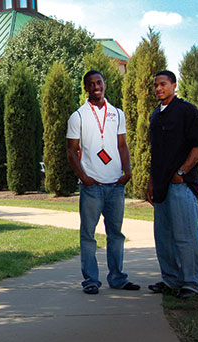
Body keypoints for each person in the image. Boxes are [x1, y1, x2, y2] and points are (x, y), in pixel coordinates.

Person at [66, 70, 139, 295]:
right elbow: (71, 151)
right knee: (88, 235)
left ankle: (117, 278)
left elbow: (122, 146)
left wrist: (127, 172)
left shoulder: (117, 113)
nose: (96, 86)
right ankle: (90, 281)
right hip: (92, 187)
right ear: (86, 88)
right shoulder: (78, 116)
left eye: (99, 82)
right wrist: (85, 178)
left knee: (115, 234)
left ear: (104, 84)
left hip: (116, 185)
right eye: (91, 84)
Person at [146, 70, 198, 299]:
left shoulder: (186, 111)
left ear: (174, 85)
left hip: (181, 185)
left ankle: (191, 283)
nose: (158, 88)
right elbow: (156, 153)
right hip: (160, 186)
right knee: (163, 238)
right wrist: (152, 182)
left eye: (163, 84)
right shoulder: (155, 115)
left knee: (185, 236)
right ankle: (170, 281)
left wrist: (182, 172)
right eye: (156, 85)